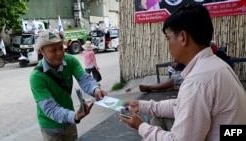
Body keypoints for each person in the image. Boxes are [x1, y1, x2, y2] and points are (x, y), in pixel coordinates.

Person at [120, 3, 246, 141]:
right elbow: (181, 105)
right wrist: (142, 105)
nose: (168, 45)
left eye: (168, 38)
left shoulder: (198, 81)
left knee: (153, 128)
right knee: (160, 117)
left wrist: (141, 127)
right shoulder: (215, 65)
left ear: (183, 38)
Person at [29, 30, 107, 141]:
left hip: (70, 123)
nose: (59, 53)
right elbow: (50, 109)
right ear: (42, 51)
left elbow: (84, 79)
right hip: (50, 127)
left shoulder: (70, 61)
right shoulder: (36, 77)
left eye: (61, 48)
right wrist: (74, 116)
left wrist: (96, 89)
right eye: (53, 50)